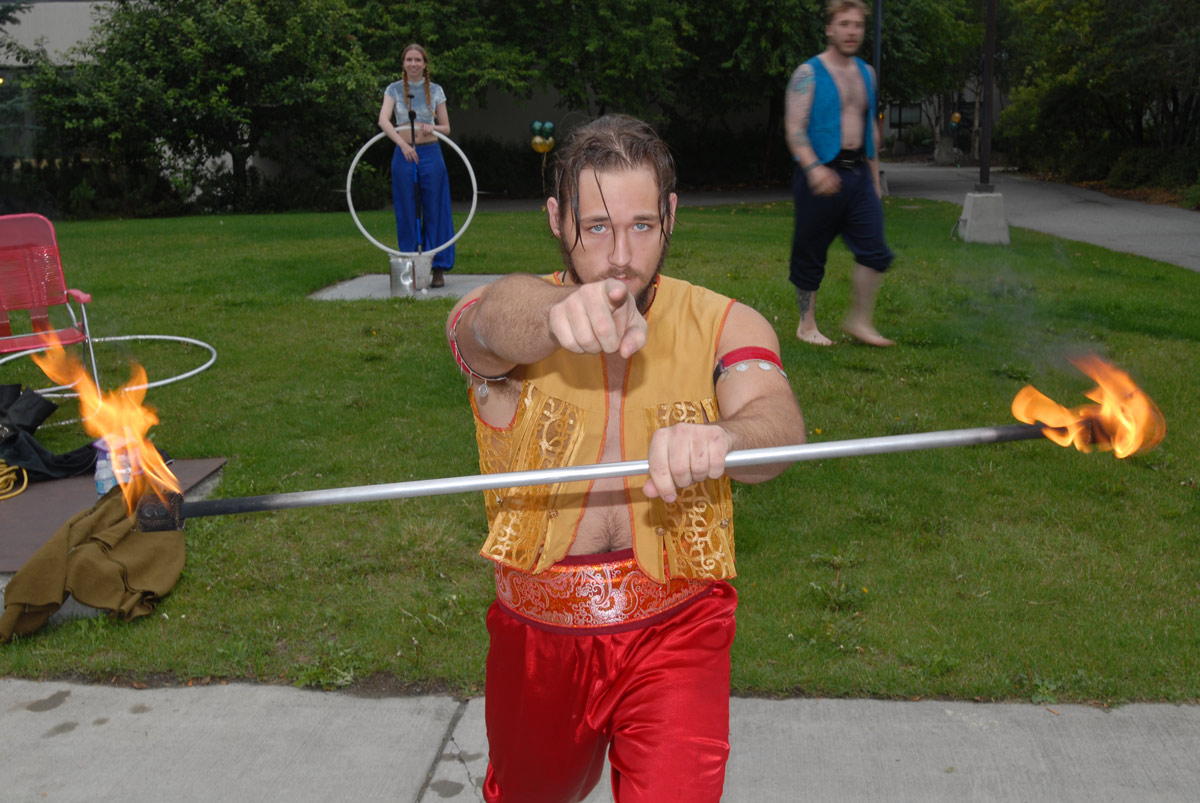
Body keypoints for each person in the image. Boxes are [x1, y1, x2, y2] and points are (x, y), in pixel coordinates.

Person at [445, 115, 806, 803]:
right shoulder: (522, 316)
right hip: (537, 642)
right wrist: (558, 314)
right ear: (557, 218)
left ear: (671, 217)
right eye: (597, 227)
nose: (620, 256)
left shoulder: (728, 322)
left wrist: (727, 439)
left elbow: (778, 423)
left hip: (679, 629)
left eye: (642, 225)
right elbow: (481, 325)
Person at [785, 0, 895, 347]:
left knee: (875, 251)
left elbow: (870, 131)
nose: (852, 31)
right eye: (844, 24)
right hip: (819, 175)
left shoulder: (867, 73)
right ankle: (806, 325)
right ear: (829, 29)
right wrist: (814, 168)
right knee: (810, 251)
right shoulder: (808, 73)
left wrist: (875, 180)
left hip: (858, 174)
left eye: (858, 25)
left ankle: (859, 321)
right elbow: (795, 129)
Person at [378, 43, 454, 288]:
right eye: (408, 60)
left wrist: (433, 127)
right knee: (407, 210)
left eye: (417, 60)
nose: (413, 64)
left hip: (431, 153)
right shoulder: (394, 89)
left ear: (424, 63)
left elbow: (447, 128)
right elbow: (383, 120)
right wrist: (402, 144)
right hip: (404, 154)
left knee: (436, 210)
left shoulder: (436, 90)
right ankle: (410, 266)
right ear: (403, 63)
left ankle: (438, 267)